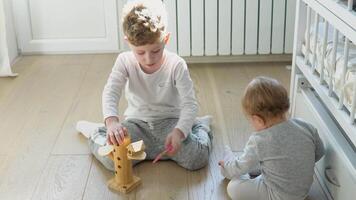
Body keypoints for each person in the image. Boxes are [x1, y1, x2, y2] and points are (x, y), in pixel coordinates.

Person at [76, 0, 212, 171]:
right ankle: (97, 131)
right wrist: (111, 122)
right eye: (140, 52)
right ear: (128, 42)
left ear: (166, 39)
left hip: (171, 123)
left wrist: (179, 132)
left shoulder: (176, 64)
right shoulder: (124, 61)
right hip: (137, 125)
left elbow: (190, 104)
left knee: (197, 159)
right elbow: (111, 91)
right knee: (113, 161)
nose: (149, 59)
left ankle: (199, 126)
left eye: (156, 50)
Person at [219, 76, 324, 200]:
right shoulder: (306, 126)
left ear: (258, 120)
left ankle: (233, 162)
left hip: (275, 195)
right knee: (262, 160)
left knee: (234, 187)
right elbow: (319, 152)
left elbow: (240, 168)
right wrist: (297, 164)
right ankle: (257, 167)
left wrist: (226, 168)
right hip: (302, 193)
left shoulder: (260, 140)